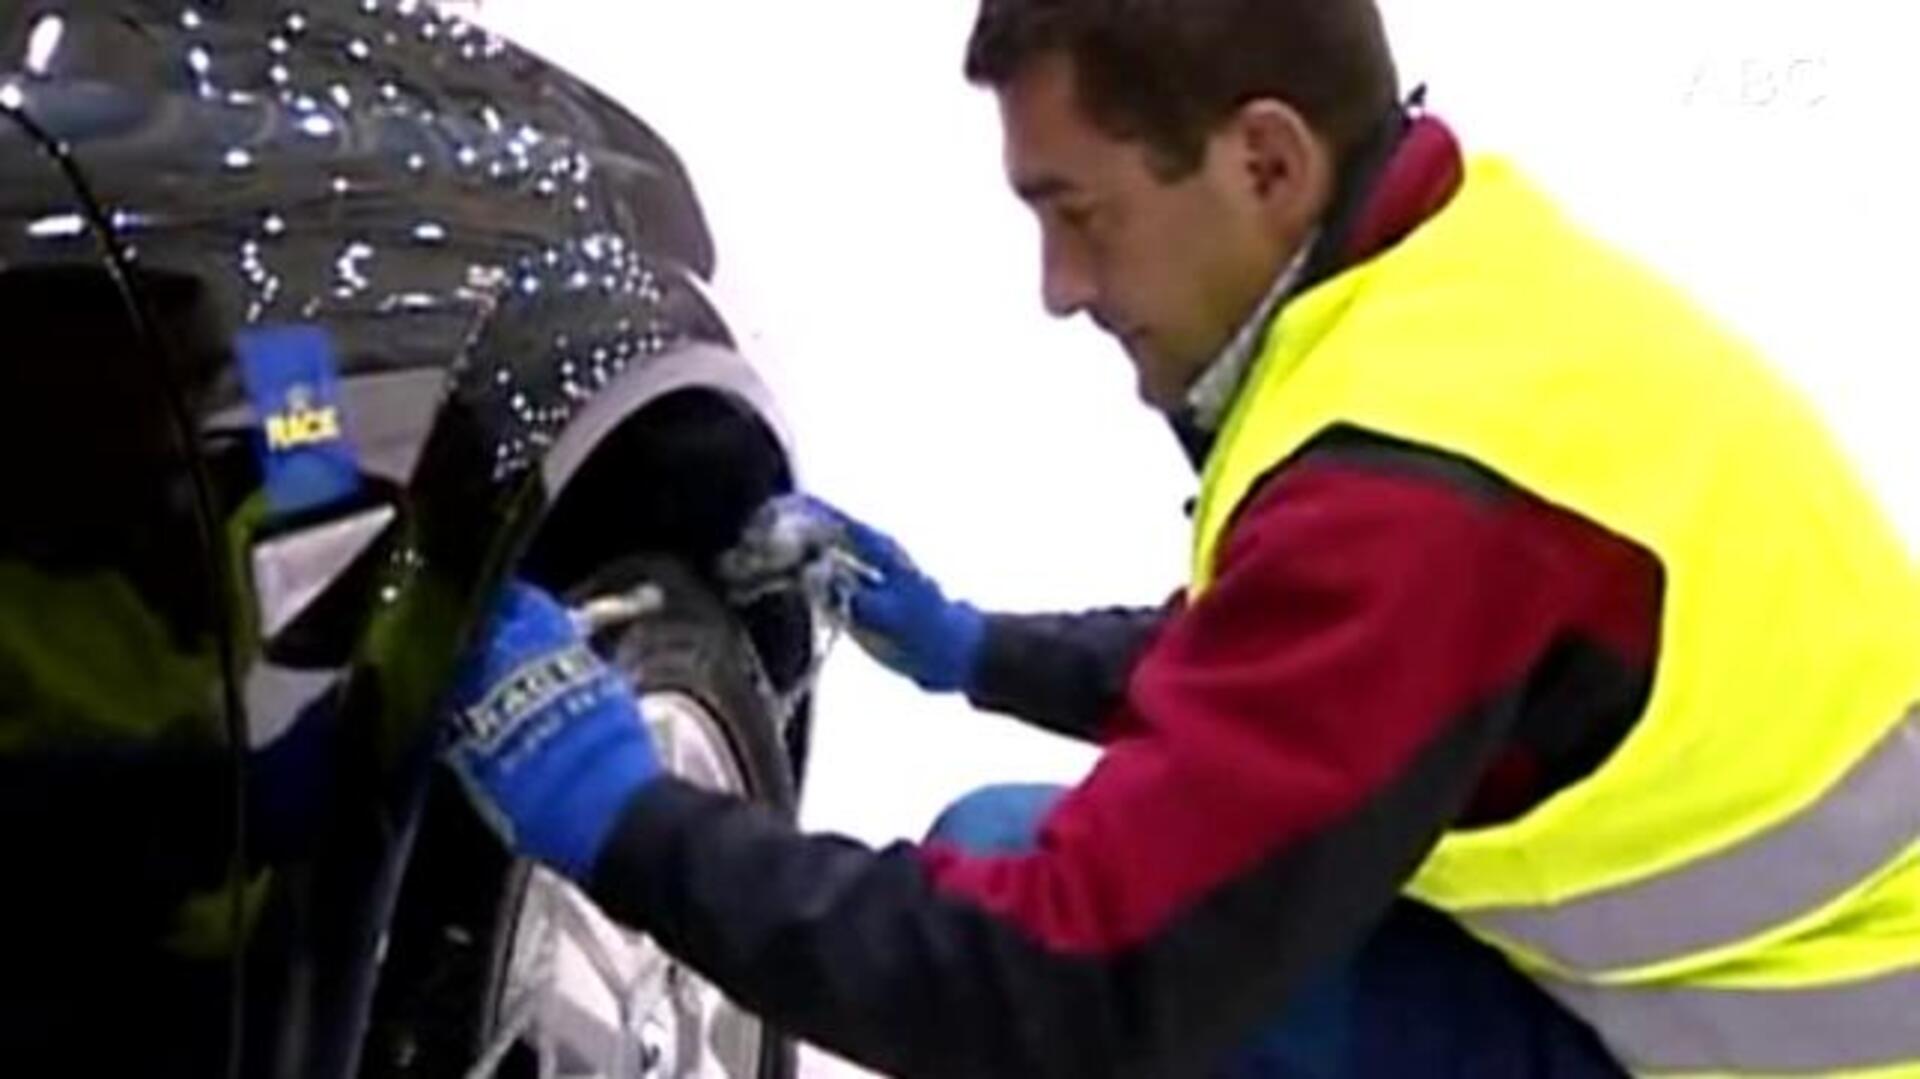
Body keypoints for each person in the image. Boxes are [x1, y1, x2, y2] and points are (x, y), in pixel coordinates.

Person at [443, 1, 1920, 1075]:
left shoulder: (1416, 496)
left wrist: (627, 821)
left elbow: (1063, 981)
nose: (1058, 285)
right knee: (1020, 845)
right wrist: (982, 649)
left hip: (1771, 1057)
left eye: (1077, 211)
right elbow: (1352, 678)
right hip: (1706, 990)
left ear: (1264, 162)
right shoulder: (1451, 283)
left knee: (1044, 911)